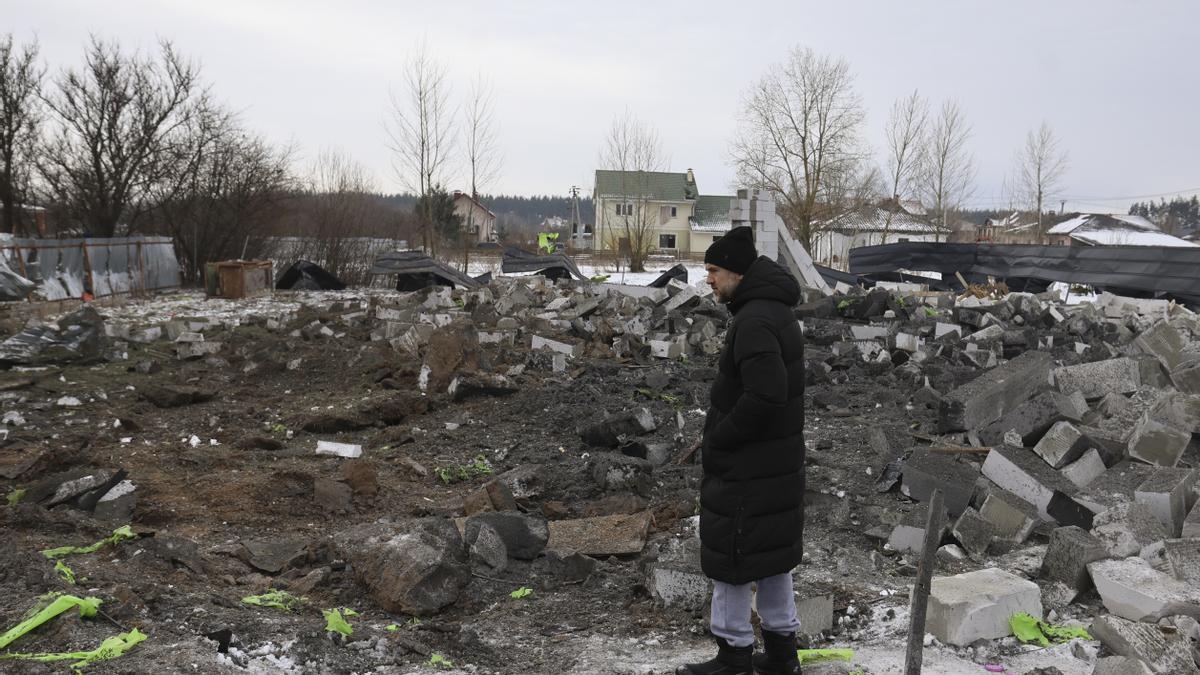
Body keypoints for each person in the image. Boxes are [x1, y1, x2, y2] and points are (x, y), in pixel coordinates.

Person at [678, 226, 806, 675]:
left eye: (714, 270)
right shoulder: (774, 310)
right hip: (775, 464)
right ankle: (782, 655)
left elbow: (766, 395)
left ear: (736, 272)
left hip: (749, 466)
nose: (709, 279)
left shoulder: (753, 320)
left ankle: (733, 656)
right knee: (771, 559)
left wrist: (721, 437)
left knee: (731, 559)